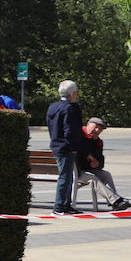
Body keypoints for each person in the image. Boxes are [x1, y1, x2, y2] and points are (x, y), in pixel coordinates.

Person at [46, 80, 85, 215]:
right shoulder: (71, 108)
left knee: (67, 176)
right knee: (65, 177)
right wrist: (73, 146)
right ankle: (59, 206)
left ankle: (66, 204)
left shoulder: (53, 106)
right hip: (67, 147)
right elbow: (70, 130)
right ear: (73, 93)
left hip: (56, 144)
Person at [77, 118, 131, 211]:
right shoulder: (77, 135)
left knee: (106, 174)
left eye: (100, 129)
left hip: (85, 170)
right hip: (73, 172)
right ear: (88, 124)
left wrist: (97, 164)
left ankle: (115, 203)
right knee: (92, 178)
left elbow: (101, 160)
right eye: (95, 127)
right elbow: (78, 151)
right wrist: (90, 156)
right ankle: (116, 201)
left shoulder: (97, 141)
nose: (97, 131)